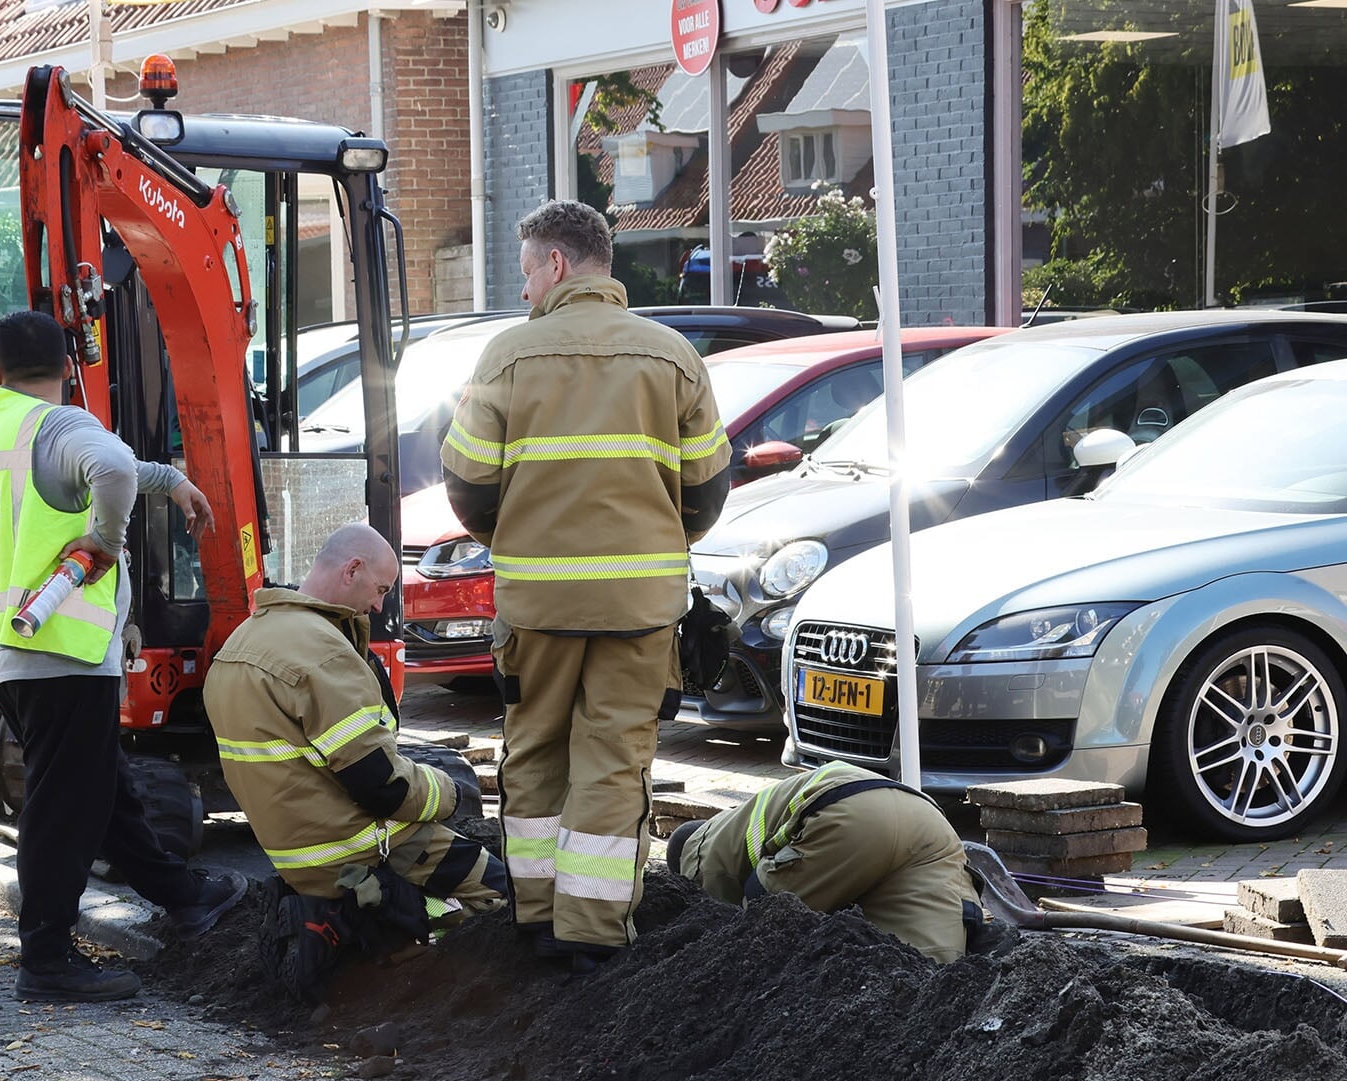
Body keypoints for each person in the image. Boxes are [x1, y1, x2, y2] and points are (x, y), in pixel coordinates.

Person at [440, 199, 732, 968]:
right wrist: (660, 543)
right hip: (640, 610)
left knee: (533, 751)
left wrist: (517, 541)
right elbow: (707, 489)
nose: (525, 288)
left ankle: (535, 918)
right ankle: (594, 935)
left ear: (557, 265)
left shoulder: (506, 356)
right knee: (613, 760)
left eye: (528, 270)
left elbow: (466, 486)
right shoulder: (673, 356)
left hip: (536, 605)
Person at [0, 309, 246, 1004]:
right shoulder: (58, 424)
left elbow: (105, 461)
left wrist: (169, 479)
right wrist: (104, 542)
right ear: (69, 367)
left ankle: (180, 893)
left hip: (18, 651)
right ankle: (48, 959)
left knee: (104, 788)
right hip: (65, 650)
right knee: (62, 809)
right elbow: (109, 464)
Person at [203, 524, 509, 1000]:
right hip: (360, 846)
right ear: (352, 570)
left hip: (295, 855)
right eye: (382, 589)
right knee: (505, 894)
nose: (380, 606)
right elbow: (380, 785)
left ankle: (362, 934)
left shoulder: (240, 645)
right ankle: (411, 964)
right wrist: (448, 792)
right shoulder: (322, 653)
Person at [665, 761, 986, 964]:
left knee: (761, 929)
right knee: (929, 968)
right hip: (931, 828)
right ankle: (989, 946)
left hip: (849, 819)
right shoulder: (738, 823)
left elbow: (719, 936)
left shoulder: (699, 852)